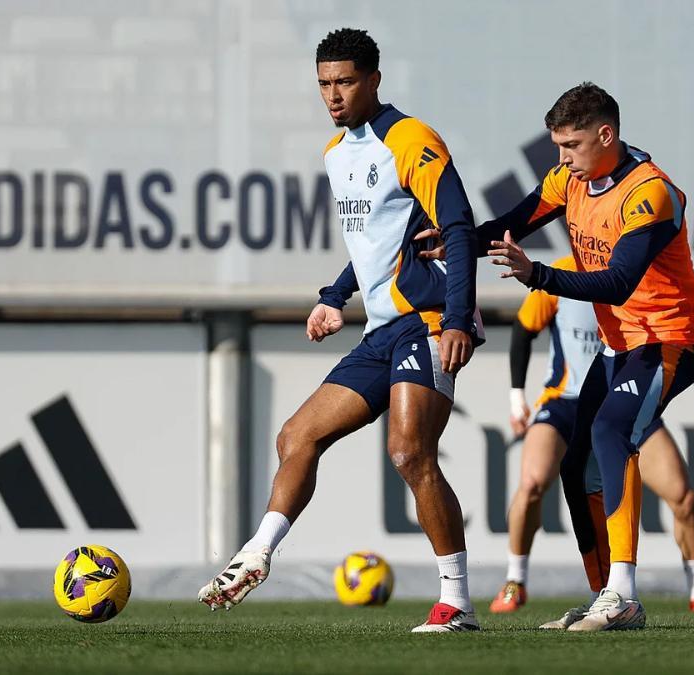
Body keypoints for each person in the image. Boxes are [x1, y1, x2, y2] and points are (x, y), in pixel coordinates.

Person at [197, 27, 484, 633]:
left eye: (345, 82)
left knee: (409, 452)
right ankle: (257, 553)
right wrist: (336, 296)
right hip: (381, 328)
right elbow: (379, 242)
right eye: (325, 84)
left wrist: (458, 318)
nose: (333, 94)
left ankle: (455, 602)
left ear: (374, 80)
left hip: (428, 320)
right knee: (295, 436)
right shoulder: (338, 152)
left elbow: (457, 226)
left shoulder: (411, 140)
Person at [473, 81, 694, 631]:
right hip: (621, 343)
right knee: (576, 457)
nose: (561, 160)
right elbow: (512, 222)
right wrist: (455, 240)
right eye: (557, 146)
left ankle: (624, 593)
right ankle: (606, 593)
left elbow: (620, 281)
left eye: (571, 146)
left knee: (609, 432)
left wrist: (538, 275)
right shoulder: (570, 178)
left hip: (670, 338)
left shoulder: (648, 193)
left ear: (606, 135)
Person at [489, 257, 694, 617]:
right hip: (565, 405)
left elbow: (676, 334)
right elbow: (523, 329)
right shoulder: (560, 273)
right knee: (532, 484)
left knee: (682, 495)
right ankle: (516, 581)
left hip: (624, 398)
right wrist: (516, 399)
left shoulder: (635, 274)